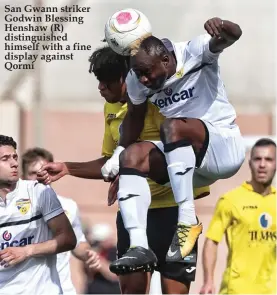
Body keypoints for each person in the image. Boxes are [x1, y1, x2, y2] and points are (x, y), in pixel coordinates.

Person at [37, 46, 211, 294]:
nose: (100, 88)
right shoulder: (111, 110)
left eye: (106, 82)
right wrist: (67, 168)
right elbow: (111, 161)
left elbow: (183, 146)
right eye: (99, 82)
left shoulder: (163, 99)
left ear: (127, 78)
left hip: (175, 214)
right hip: (135, 218)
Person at [101, 16, 246, 271]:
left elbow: (233, 36)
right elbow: (134, 118)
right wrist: (118, 154)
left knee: (172, 126)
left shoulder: (194, 50)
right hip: (188, 163)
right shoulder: (137, 79)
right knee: (133, 157)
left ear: (166, 60)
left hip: (223, 147)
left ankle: (187, 223)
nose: (143, 80)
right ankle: (139, 247)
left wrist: (223, 25)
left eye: (147, 72)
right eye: (138, 73)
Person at [0, 135, 77, 294]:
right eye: (5, 159)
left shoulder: (38, 191)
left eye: (14, 157)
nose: (14, 163)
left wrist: (26, 251)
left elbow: (68, 239)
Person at [200, 138, 276, 294]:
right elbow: (212, 241)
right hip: (237, 289)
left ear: (275, 164)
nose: (262, 165)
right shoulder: (230, 200)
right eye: (257, 159)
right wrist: (208, 281)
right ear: (250, 163)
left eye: (268, 159)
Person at [21, 147, 101, 295]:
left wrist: (88, 253)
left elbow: (77, 242)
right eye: (33, 173)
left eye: (44, 171)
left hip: (61, 289)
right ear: (23, 176)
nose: (39, 176)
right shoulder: (11, 211)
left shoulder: (68, 206)